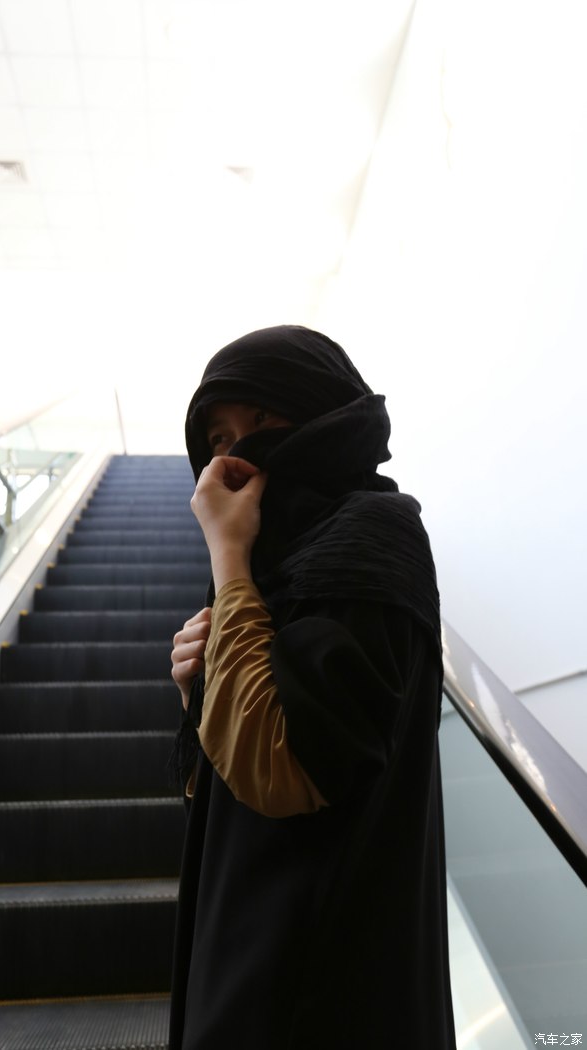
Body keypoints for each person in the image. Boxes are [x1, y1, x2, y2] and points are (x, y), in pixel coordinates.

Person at [169, 325, 457, 1049]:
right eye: (219, 439)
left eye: (264, 417)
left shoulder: (371, 534)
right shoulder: (279, 560)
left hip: (314, 976)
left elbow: (286, 766)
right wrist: (201, 690)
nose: (238, 454)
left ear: (328, 411)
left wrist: (228, 554)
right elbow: (228, 780)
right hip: (251, 936)